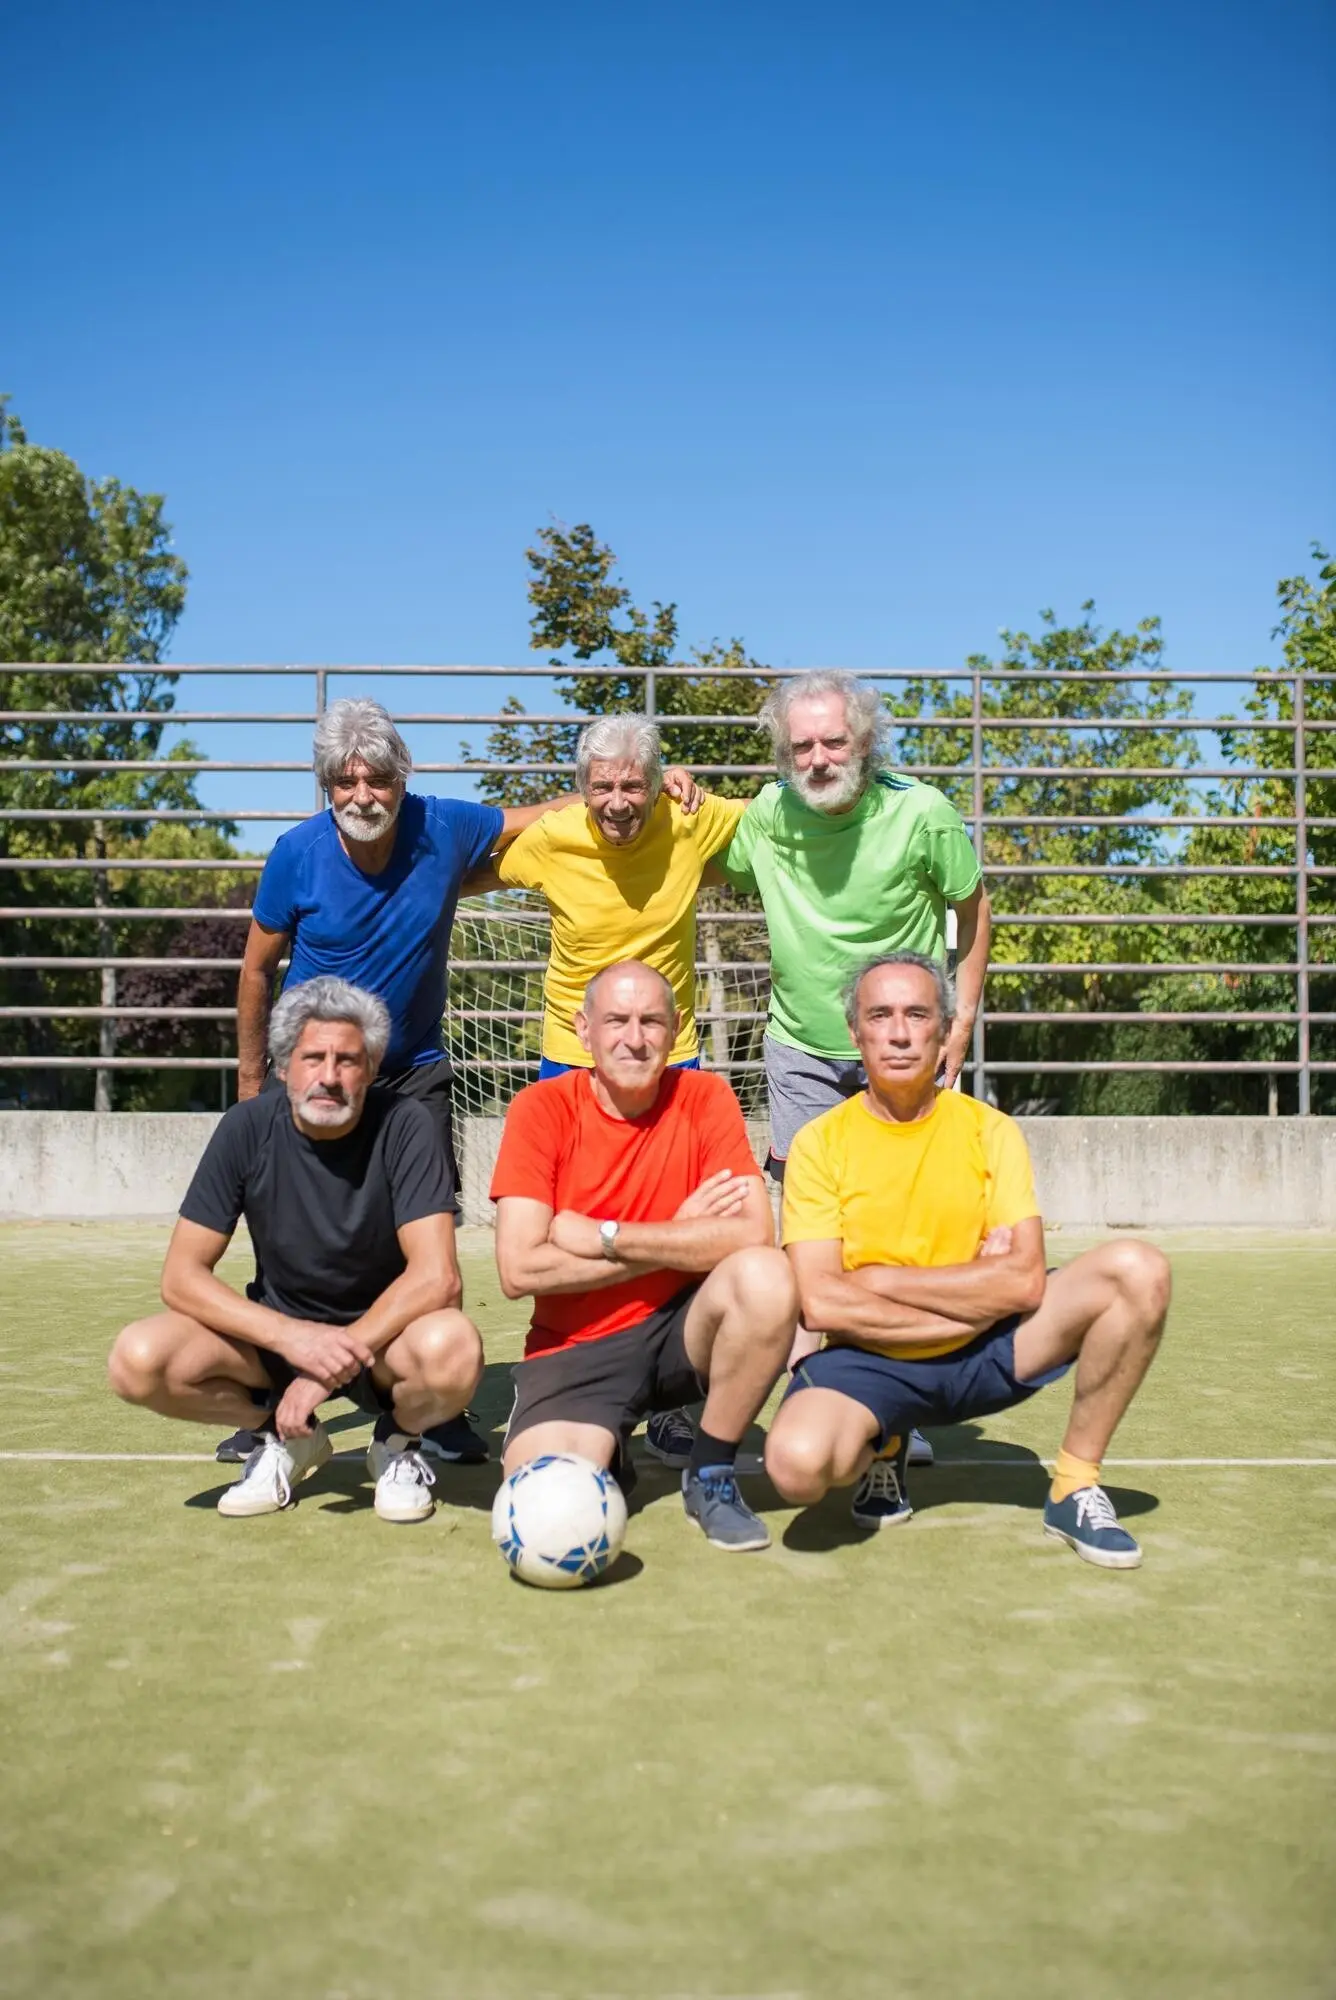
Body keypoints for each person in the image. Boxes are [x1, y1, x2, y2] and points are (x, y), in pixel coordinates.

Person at [227, 695, 699, 1468]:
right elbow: (255, 969)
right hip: (310, 1078)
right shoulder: (296, 853)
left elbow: (529, 818)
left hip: (412, 1071)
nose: (361, 796)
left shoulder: (442, 825)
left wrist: (635, 781)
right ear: (325, 787)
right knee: (283, 1249)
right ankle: (264, 1404)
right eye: (343, 782)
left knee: (430, 1248)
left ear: (401, 778)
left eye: (376, 778)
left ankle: (434, 1409)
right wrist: (254, 1084)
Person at [763, 954, 1171, 1568]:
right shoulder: (818, 1146)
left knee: (1138, 1271)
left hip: (992, 1349)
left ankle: (1075, 1486)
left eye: (917, 1014)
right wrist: (972, 1299)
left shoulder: (991, 1131)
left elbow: (1025, 1279)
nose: (899, 1032)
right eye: (880, 1015)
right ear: (856, 1033)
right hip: (872, 1360)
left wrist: (878, 1278)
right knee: (797, 1466)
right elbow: (822, 1301)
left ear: (945, 1028)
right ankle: (885, 1440)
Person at [701, 667, 995, 1473]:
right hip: (799, 1049)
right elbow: (685, 836)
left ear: (864, 743)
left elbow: (973, 910)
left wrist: (959, 1021)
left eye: (834, 740)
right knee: (811, 1245)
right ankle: (816, 1392)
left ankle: (897, 1394)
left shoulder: (922, 814)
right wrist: (677, 787)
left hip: (900, 1047)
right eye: (802, 745)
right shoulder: (764, 816)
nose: (819, 757)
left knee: (894, 1234)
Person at [108, 977, 485, 1524]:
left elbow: (437, 1278)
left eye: (347, 1060)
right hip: (275, 1339)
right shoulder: (245, 1127)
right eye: (313, 1058)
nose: (329, 1077)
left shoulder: (406, 1124)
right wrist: (292, 1339)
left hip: (384, 1341)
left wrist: (327, 1366)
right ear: (284, 1066)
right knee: (137, 1361)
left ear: (372, 1068)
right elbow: (181, 1277)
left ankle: (398, 1447)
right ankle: (283, 1437)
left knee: (455, 1348)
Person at [489, 959, 799, 1554]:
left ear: (677, 1027)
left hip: (681, 1332)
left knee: (766, 1278)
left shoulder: (705, 1097)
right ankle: (611, 1444)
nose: (635, 1038)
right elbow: (519, 1270)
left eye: (652, 1021)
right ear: (583, 1030)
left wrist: (614, 1236)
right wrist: (681, 1236)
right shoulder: (540, 1108)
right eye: (617, 1021)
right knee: (544, 1506)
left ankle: (710, 1473)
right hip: (576, 1349)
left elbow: (753, 1234)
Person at [473, 713, 745, 1077]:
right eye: (602, 788)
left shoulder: (688, 817)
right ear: (584, 789)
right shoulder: (552, 837)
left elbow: (772, 815)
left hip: (667, 1048)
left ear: (654, 785)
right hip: (574, 1051)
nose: (618, 804)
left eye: (633, 786)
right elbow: (471, 880)